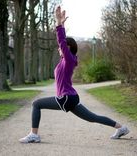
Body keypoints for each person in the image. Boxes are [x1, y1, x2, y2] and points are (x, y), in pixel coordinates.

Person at [19, 6, 129, 143]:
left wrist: (58, 24)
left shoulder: (69, 59)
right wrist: (62, 25)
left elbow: (62, 42)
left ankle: (33, 135)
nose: (59, 48)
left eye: (62, 47)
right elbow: (63, 41)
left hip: (65, 97)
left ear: (67, 48)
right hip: (71, 97)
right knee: (92, 117)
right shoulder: (65, 61)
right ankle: (122, 128)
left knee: (36, 104)